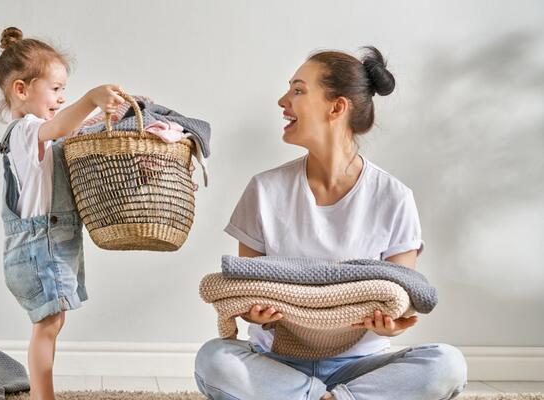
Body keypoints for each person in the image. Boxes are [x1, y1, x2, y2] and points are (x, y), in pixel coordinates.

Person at [194, 46, 467, 400]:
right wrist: (255, 315)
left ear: (336, 107)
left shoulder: (394, 196)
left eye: (297, 90)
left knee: (447, 364)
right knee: (214, 359)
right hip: (276, 361)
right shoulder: (264, 189)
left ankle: (328, 396)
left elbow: (400, 298)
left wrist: (393, 326)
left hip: (358, 365)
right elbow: (246, 291)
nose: (282, 100)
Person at [0, 27, 124, 400]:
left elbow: (69, 139)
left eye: (64, 90)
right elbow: (59, 125)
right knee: (47, 324)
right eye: (55, 89)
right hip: (38, 247)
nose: (61, 97)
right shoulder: (24, 130)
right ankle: (42, 396)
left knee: (52, 321)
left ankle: (42, 395)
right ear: (21, 89)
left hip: (50, 243)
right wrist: (90, 99)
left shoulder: (41, 136)